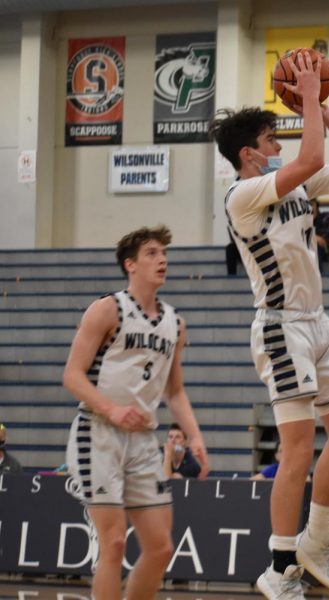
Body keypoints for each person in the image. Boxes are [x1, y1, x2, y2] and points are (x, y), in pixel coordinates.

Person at [209, 49, 329, 599]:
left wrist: (323, 107)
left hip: (318, 323)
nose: (278, 147)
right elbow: (306, 159)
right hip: (281, 326)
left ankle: (317, 539)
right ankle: (280, 566)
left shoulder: (294, 184)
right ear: (248, 154)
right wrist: (306, 97)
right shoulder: (242, 195)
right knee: (298, 448)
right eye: (268, 141)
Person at [61, 225, 209, 600]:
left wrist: (195, 437)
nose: (162, 260)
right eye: (152, 254)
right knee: (113, 544)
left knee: (160, 548)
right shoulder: (107, 308)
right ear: (130, 264)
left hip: (143, 440)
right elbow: (72, 376)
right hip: (97, 432)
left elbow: (174, 391)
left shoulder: (175, 323)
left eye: (164, 254)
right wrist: (112, 409)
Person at [309, 198, 329, 273]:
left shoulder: (325, 218)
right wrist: (314, 237)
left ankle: (319, 275)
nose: (310, 208)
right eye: (307, 204)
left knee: (316, 246)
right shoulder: (302, 221)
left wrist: (309, 237)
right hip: (308, 252)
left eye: (312, 204)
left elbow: (322, 241)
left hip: (325, 253)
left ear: (317, 205)